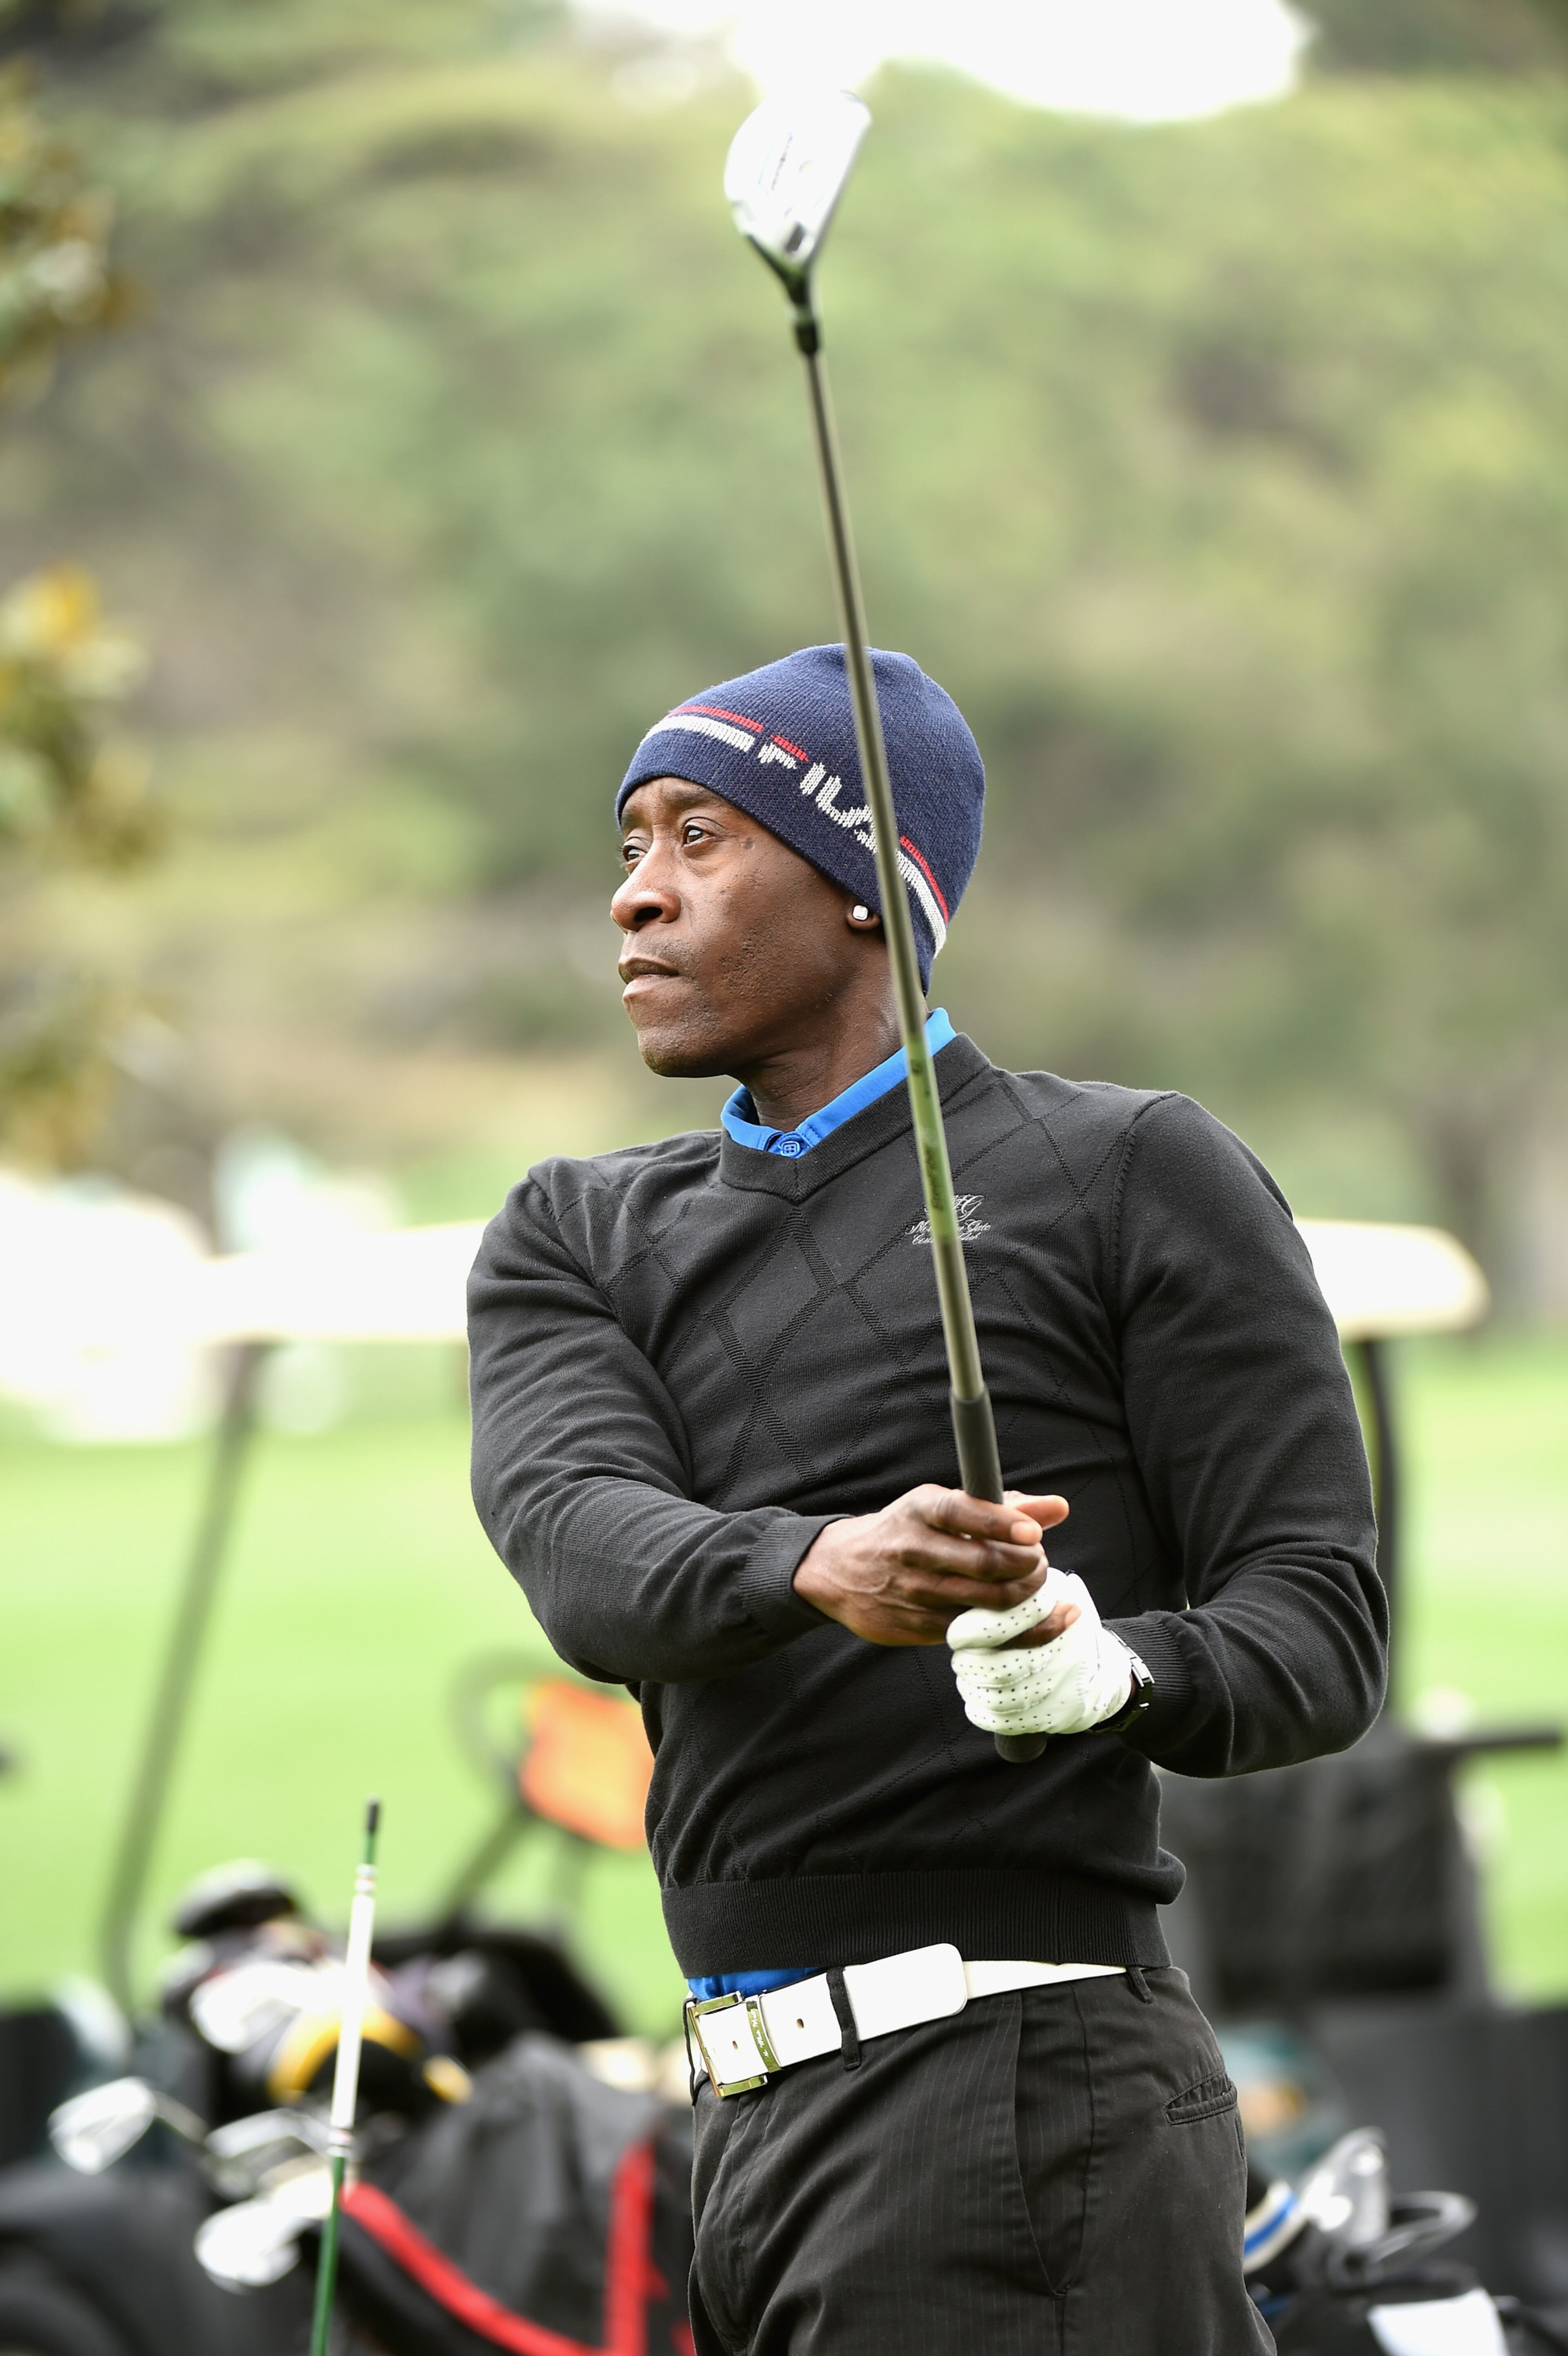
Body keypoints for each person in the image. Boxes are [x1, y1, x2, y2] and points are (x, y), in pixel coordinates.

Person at [467, 643, 1384, 2356]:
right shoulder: (574, 1234)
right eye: (627, 850)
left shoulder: (1134, 1175)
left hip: (1031, 2097)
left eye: (698, 839)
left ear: (870, 886)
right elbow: (586, 1552)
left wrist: (1113, 1673)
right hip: (743, 2138)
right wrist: (823, 1564)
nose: (635, 904)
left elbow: (1316, 1631)